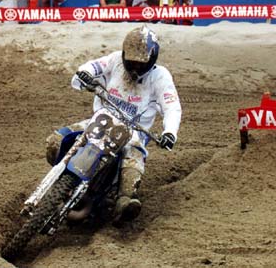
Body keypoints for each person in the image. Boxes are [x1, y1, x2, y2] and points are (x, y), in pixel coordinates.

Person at [46, 26, 182, 223]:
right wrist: (85, 74)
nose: (135, 68)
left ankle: (125, 197)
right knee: (55, 142)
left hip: (134, 130)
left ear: (152, 59)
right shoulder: (115, 59)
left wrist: (169, 132)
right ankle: (63, 181)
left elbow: (172, 107)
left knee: (133, 156)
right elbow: (92, 67)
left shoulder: (160, 76)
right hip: (101, 118)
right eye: (131, 62)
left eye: (140, 63)